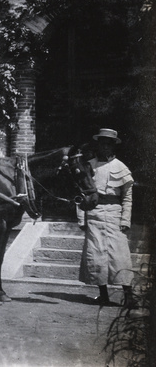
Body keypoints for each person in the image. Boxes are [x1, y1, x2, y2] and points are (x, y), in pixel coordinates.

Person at [78, 128, 135, 308]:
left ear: (113, 146)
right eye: (102, 142)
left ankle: (128, 295)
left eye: (108, 143)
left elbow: (127, 197)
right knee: (96, 256)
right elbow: (80, 194)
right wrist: (81, 218)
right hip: (93, 214)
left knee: (120, 256)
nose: (105, 146)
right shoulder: (88, 166)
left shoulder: (121, 167)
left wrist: (125, 220)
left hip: (114, 214)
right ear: (98, 144)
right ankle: (103, 295)